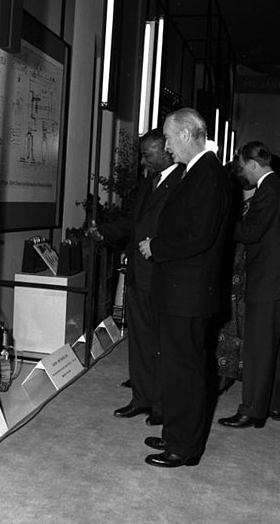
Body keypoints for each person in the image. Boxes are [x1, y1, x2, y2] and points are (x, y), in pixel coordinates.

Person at [138, 108, 232, 467]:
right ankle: (175, 434)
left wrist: (156, 247)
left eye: (167, 137)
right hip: (181, 291)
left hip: (188, 293)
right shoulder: (196, 173)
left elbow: (199, 236)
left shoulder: (207, 176)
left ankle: (185, 448)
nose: (165, 145)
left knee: (187, 370)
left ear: (186, 135)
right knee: (178, 367)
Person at [93, 129, 184, 426]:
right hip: (138, 275)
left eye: (148, 154)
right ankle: (141, 398)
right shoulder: (148, 184)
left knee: (161, 345)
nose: (143, 160)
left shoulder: (183, 182)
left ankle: (161, 405)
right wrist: (103, 232)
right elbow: (134, 223)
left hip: (161, 276)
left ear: (166, 150)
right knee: (140, 341)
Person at [218, 141, 280, 429]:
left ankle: (252, 411)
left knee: (259, 349)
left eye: (242, 168)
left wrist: (219, 222)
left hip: (268, 283)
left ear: (253, 164)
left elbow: (250, 232)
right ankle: (276, 404)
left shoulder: (268, 191)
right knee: (275, 347)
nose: (243, 174)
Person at [215, 157, 255, 393]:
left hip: (248, 271)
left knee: (242, 323)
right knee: (226, 323)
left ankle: (236, 371)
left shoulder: (260, 200)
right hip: (228, 266)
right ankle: (224, 370)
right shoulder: (231, 200)